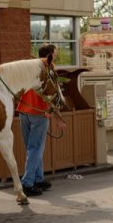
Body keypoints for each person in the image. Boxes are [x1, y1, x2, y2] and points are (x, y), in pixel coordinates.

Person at [17, 44, 66, 196]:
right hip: (39, 113)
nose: (56, 56)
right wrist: (59, 118)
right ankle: (27, 183)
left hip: (23, 111)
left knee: (32, 149)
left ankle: (38, 179)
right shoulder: (49, 68)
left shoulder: (30, 66)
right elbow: (52, 95)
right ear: (50, 55)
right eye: (55, 54)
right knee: (36, 149)